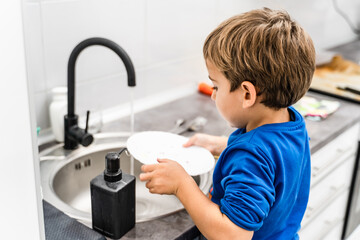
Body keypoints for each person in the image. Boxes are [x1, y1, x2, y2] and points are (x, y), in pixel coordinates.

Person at [139, 7, 315, 240]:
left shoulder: (250, 155)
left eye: (216, 86)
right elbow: (275, 158)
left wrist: (182, 185)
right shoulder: (291, 122)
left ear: (247, 94)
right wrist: (223, 144)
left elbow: (233, 235)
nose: (213, 95)